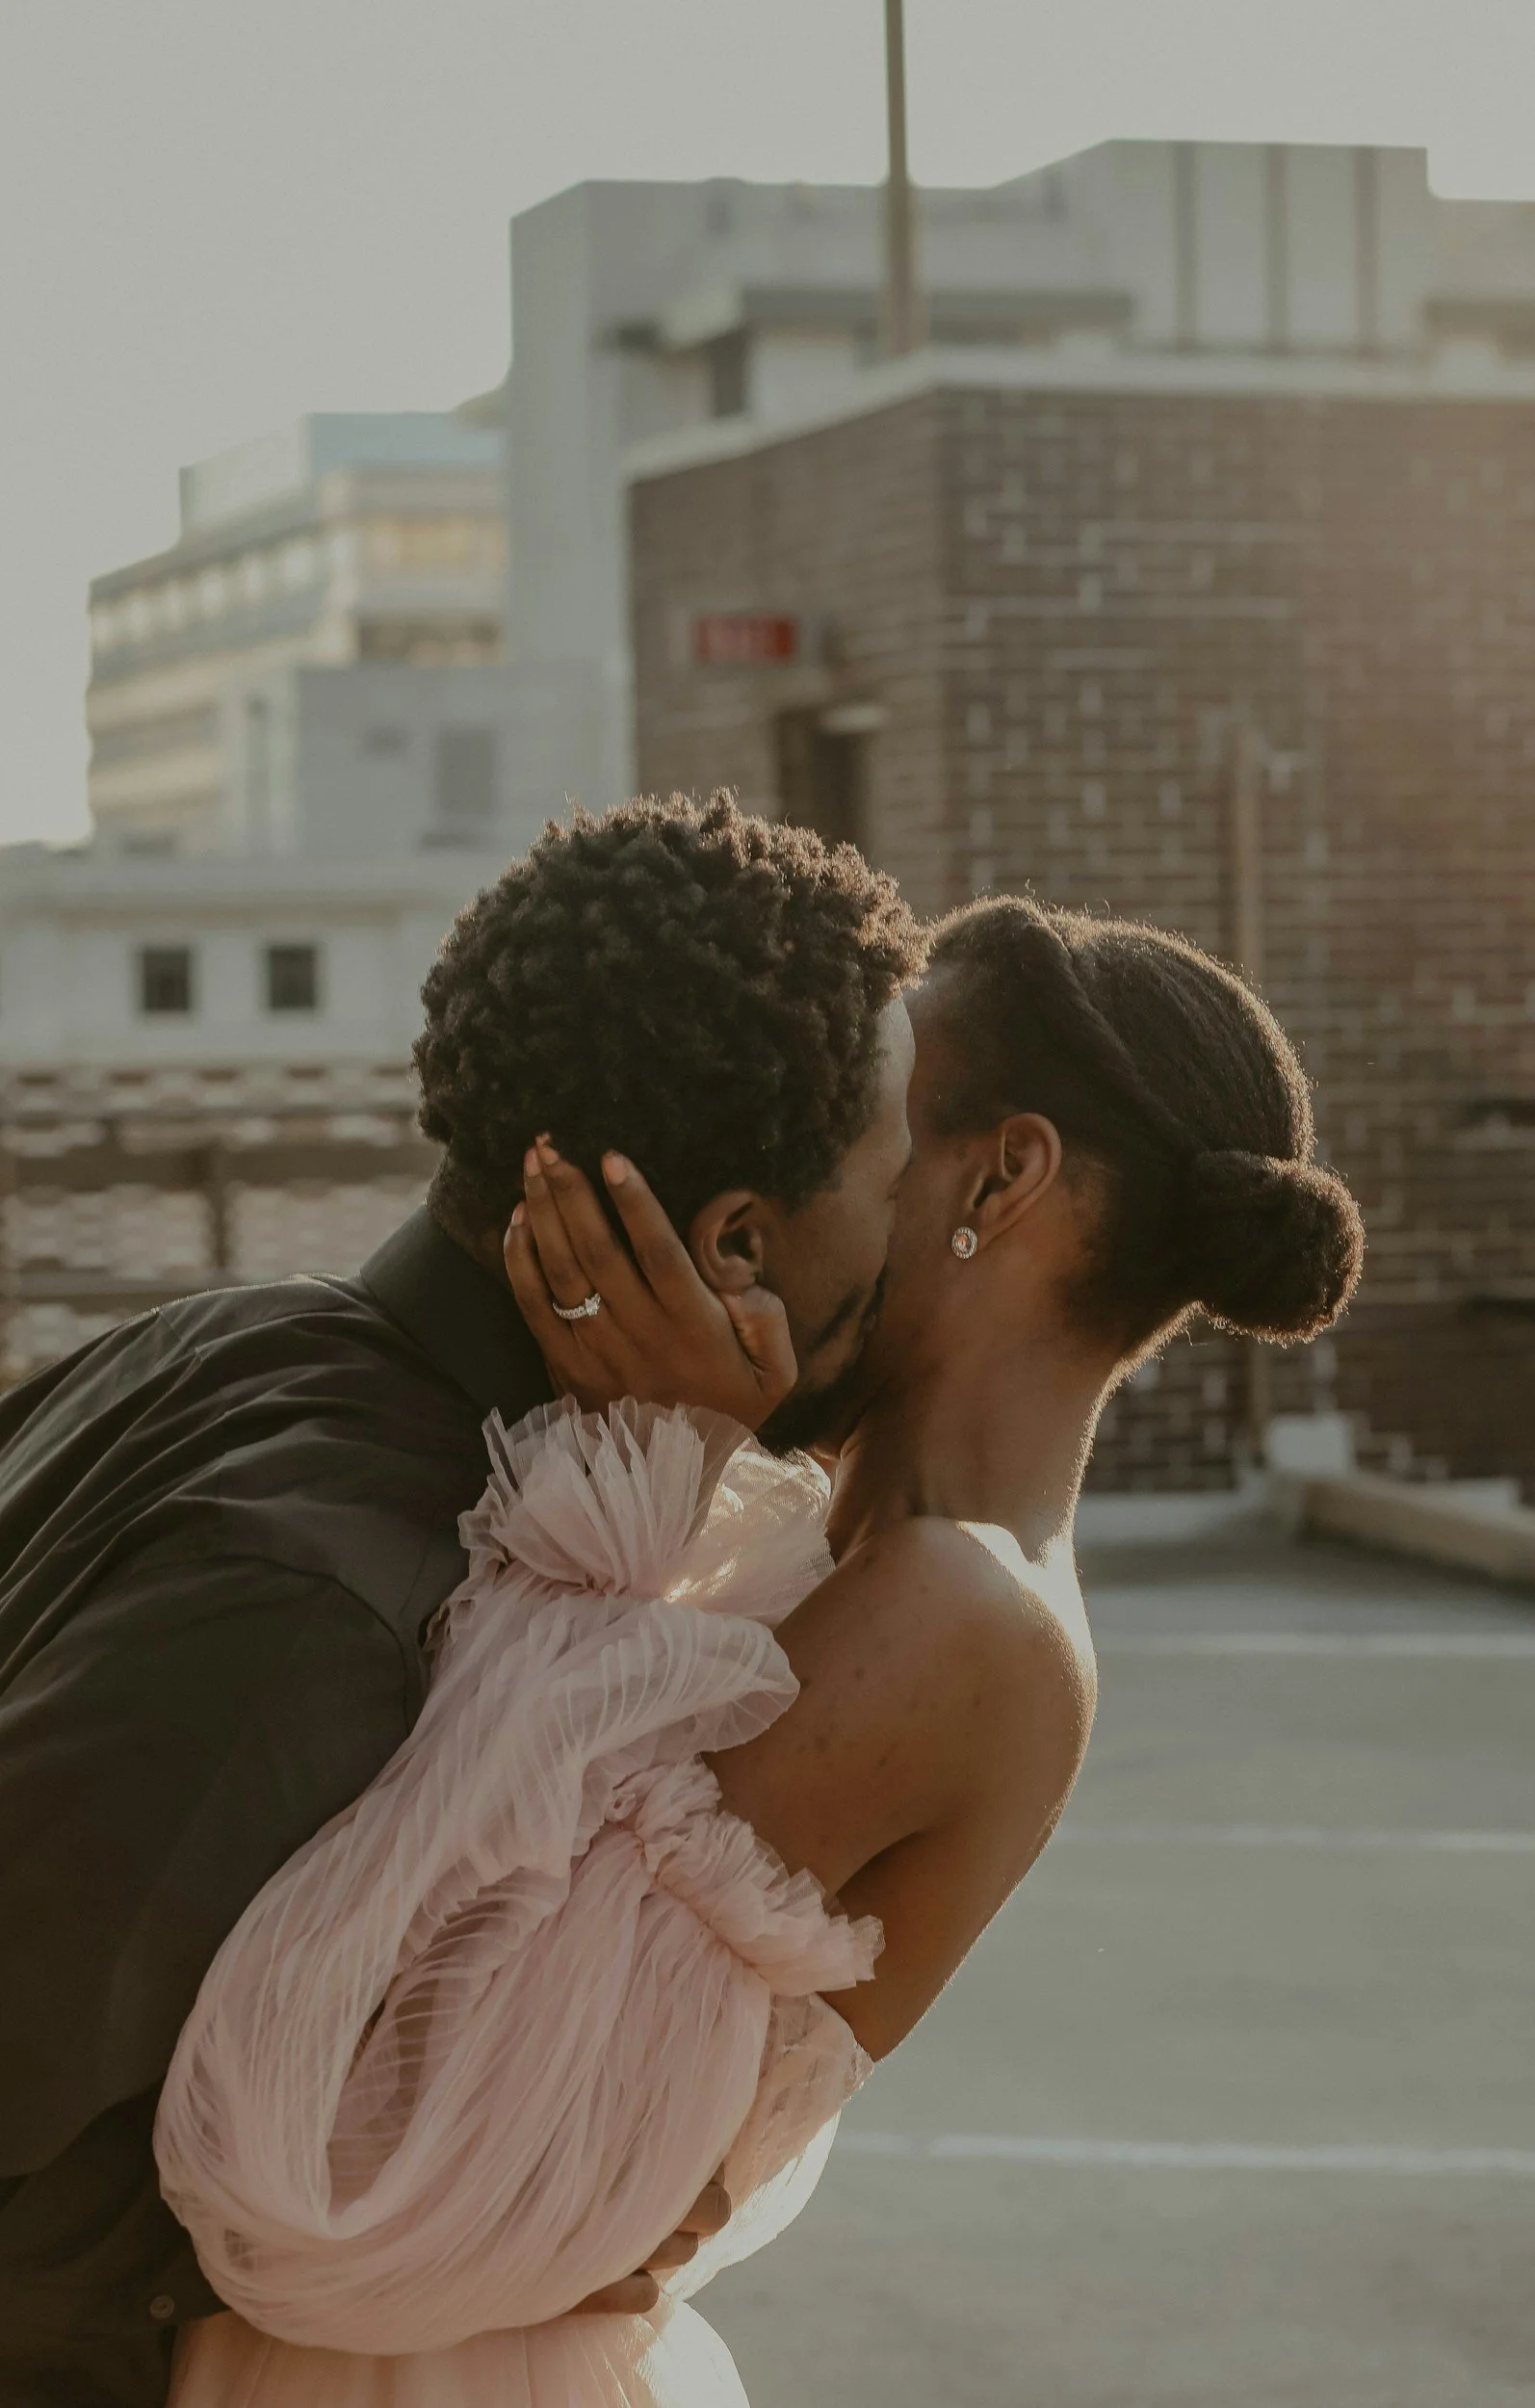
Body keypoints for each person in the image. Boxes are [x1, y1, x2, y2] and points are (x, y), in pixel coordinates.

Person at [152, 894, 1365, 2406]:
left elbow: (369, 2154)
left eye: (867, 1116)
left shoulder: (953, 1612)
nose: (791, 1156)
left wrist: (646, 1456)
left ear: (1004, 1173)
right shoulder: (824, 1532)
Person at [0, 795, 924, 2408]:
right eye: (888, 1182)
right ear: (731, 1241)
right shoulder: (340, 1599)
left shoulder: (224, 1336)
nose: (916, 1241)